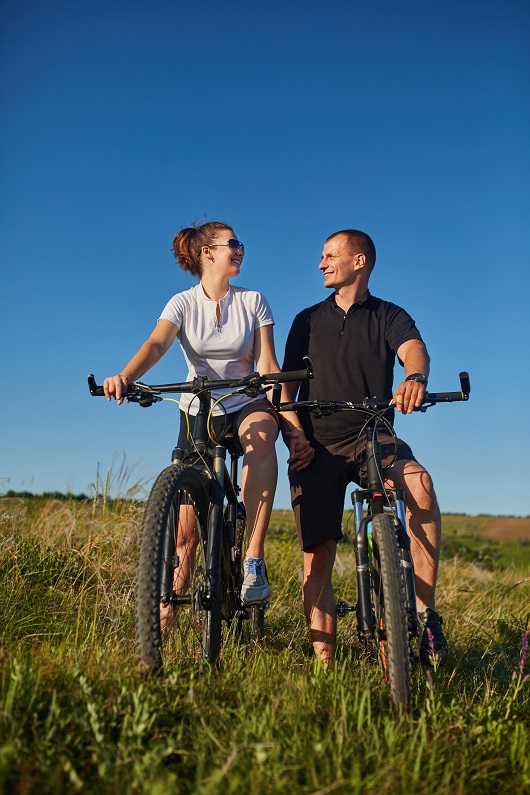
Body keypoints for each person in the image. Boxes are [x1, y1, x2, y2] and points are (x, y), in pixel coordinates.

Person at [104, 220, 312, 607]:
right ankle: (161, 624)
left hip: (247, 400)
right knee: (184, 536)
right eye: (232, 243)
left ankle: (253, 557)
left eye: (240, 243)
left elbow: (267, 364)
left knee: (261, 437)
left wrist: (290, 423)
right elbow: (156, 343)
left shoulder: (253, 301)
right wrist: (126, 376)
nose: (240, 249)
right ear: (207, 253)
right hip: (199, 407)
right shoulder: (181, 303)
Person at [282, 229, 448, 666]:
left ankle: (423, 614)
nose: (321, 263)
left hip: (374, 434)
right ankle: (325, 668)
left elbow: (415, 349)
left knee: (421, 485)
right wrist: (293, 434)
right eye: (321, 256)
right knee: (317, 559)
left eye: (329, 255)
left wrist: (415, 378)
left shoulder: (388, 315)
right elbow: (284, 391)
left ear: (359, 261)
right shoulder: (306, 320)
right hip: (316, 443)